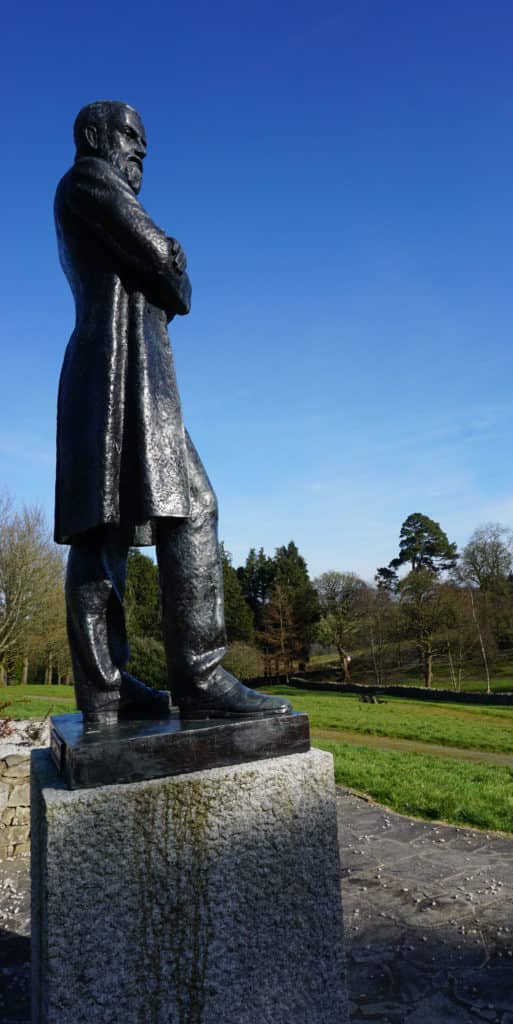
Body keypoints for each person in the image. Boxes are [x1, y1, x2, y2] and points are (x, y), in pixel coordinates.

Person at [54, 100, 291, 725]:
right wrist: (168, 254)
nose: (141, 152)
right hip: (109, 377)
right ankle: (153, 683)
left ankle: (169, 679)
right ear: (92, 136)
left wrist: (169, 263)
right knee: (102, 533)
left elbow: (181, 293)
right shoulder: (85, 181)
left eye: (144, 142)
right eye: (130, 137)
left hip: (140, 383)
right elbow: (162, 259)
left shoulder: (107, 190)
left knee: (186, 508)